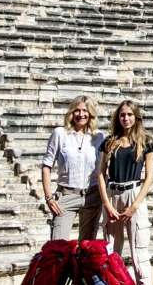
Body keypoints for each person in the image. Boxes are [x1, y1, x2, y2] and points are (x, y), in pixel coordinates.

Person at [97, 100, 153, 285]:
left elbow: (149, 177)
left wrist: (135, 206)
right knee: (112, 252)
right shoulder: (109, 142)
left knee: (139, 253)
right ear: (117, 118)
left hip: (134, 194)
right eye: (122, 115)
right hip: (113, 195)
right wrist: (108, 205)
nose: (126, 118)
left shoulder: (146, 143)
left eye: (130, 114)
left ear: (136, 117)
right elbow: (101, 174)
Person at [41, 96, 105, 241]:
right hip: (66, 195)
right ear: (71, 113)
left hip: (92, 196)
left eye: (85, 110)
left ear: (91, 113)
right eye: (77, 110)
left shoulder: (99, 137)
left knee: (87, 249)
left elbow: (103, 168)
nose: (81, 114)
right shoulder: (60, 133)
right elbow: (46, 166)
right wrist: (49, 197)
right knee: (58, 246)